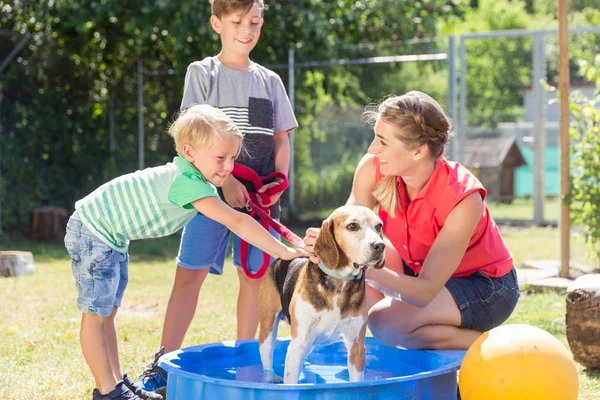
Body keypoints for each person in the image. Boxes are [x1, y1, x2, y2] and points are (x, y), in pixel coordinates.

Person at [64, 105, 304, 400]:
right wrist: (285, 253)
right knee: (96, 316)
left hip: (111, 238)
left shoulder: (197, 179)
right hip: (93, 231)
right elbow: (237, 221)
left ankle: (117, 383)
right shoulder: (186, 182)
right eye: (220, 158)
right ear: (190, 153)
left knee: (107, 314)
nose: (228, 167)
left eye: (232, 158)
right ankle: (108, 391)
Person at [135, 0, 297, 394]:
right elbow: (194, 134)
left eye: (255, 21)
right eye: (237, 21)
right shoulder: (202, 72)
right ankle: (164, 364)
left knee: (256, 282)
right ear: (216, 23)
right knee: (189, 276)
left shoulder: (270, 81)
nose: (247, 29)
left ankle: (248, 364)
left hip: (258, 202)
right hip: (209, 197)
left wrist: (278, 180)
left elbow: (281, 140)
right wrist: (224, 183)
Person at [304, 91, 520, 350]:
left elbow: (426, 290)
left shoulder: (462, 197)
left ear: (418, 152)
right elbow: (348, 228)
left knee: (385, 323)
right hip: (419, 274)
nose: (373, 149)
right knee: (369, 259)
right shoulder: (375, 167)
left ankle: (496, 348)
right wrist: (326, 241)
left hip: (485, 287)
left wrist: (360, 264)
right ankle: (385, 353)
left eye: (383, 142)